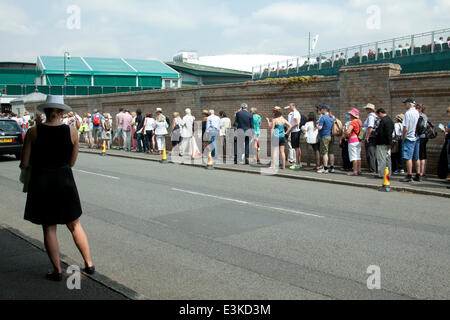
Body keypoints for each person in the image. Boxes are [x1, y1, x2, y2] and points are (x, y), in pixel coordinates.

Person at [20, 95, 95, 281]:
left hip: (42, 181)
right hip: (64, 180)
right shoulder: (72, 132)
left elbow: (25, 162)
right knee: (74, 224)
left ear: (45, 112)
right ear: (62, 112)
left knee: (49, 227)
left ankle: (57, 271)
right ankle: (89, 264)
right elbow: (71, 162)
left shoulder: (33, 132)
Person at [401, 98, 421, 182]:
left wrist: (403, 137)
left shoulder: (408, 113)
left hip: (409, 137)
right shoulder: (417, 112)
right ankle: (418, 174)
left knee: (408, 157)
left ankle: (409, 175)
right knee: (416, 157)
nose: (405, 105)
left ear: (409, 104)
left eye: (405, 104)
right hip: (416, 137)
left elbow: (405, 128)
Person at [375, 109, 394, 178]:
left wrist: (376, 130)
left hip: (381, 142)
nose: (378, 116)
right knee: (388, 158)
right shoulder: (390, 120)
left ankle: (382, 174)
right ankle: (388, 173)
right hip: (388, 142)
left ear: (380, 113)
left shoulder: (383, 121)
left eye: (378, 114)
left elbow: (380, 132)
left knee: (381, 159)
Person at [317, 105, 335, 174]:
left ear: (324, 110)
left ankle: (325, 168)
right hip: (331, 136)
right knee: (331, 152)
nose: (320, 110)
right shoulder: (332, 117)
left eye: (321, 109)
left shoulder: (323, 117)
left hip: (324, 136)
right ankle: (332, 168)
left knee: (324, 153)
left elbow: (320, 128)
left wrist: (317, 126)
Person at [344, 108, 362, 176]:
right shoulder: (359, 121)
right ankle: (359, 170)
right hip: (358, 140)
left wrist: (346, 134)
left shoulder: (353, 122)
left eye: (351, 114)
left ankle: (355, 171)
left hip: (352, 140)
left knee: (354, 156)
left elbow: (348, 131)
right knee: (358, 156)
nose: (350, 115)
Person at [363, 103, 378, 174]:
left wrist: (367, 136)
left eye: (367, 109)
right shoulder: (375, 116)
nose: (366, 110)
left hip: (371, 137)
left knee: (370, 153)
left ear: (369, 110)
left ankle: (372, 168)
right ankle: (373, 167)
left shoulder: (371, 117)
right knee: (373, 153)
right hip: (373, 137)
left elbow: (370, 127)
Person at [287, 103, 302, 170]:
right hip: (296, 131)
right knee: (297, 148)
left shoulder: (295, 113)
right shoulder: (296, 112)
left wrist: (290, 128)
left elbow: (297, 123)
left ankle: (297, 164)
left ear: (293, 106)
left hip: (295, 131)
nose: (289, 107)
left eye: (290, 106)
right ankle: (298, 163)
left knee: (296, 148)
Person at [417, 104, 429, 178]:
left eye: (417, 108)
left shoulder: (420, 116)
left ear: (420, 109)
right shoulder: (425, 116)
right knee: (423, 154)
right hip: (425, 137)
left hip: (421, 136)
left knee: (421, 154)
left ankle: (421, 172)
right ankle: (423, 171)